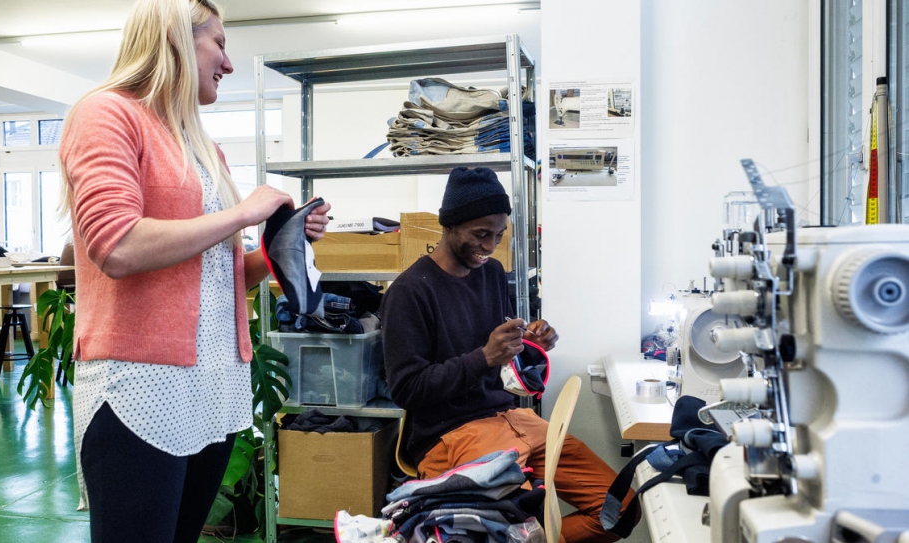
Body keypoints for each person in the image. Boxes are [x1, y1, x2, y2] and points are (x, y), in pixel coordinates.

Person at [58, 1, 330, 541]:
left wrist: (280, 246)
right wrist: (243, 212)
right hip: (140, 386)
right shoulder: (106, 113)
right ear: (177, 39)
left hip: (213, 387)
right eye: (221, 44)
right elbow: (116, 246)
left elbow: (215, 270)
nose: (228, 63)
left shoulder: (203, 146)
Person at [381, 166, 639, 543]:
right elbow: (407, 389)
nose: (489, 247)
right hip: (451, 434)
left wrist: (530, 344)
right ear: (449, 225)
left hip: (513, 419)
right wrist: (484, 356)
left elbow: (502, 364)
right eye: (481, 234)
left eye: (498, 235)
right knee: (512, 527)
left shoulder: (492, 274)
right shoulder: (408, 292)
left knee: (620, 509)